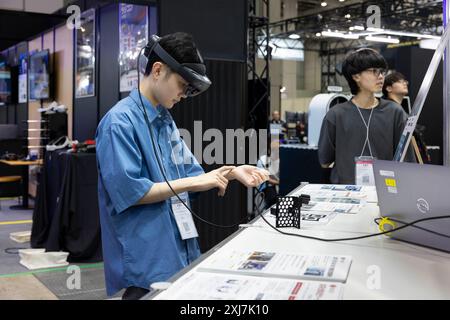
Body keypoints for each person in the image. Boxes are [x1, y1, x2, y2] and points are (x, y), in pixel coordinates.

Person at [96, 32, 269, 300]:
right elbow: (132, 192)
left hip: (180, 252)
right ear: (157, 70)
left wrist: (231, 172)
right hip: (145, 264)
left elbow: (193, 175)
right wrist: (200, 181)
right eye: (181, 84)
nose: (184, 95)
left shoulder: (166, 122)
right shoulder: (118, 124)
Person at [318, 48, 414, 184]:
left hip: (384, 192)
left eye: (382, 72)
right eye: (374, 71)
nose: (381, 76)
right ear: (356, 76)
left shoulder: (395, 112)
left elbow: (406, 160)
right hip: (345, 194)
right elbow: (325, 160)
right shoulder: (335, 115)